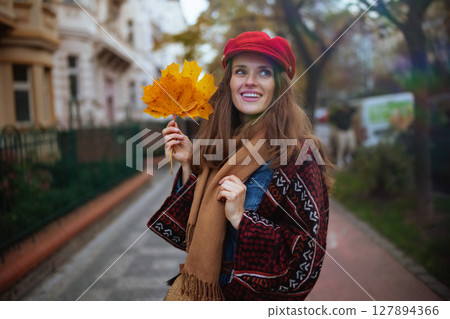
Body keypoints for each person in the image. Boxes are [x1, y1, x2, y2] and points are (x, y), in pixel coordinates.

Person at [147, 31, 334, 301]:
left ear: (278, 85)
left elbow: (307, 261)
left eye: (264, 73)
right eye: (241, 71)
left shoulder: (299, 156)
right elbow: (186, 233)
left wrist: (242, 220)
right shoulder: (220, 145)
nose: (250, 82)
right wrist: (189, 164)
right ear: (230, 82)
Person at [329, 103, 357, 168]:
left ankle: (348, 156)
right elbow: (332, 119)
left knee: (352, 145)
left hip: (348, 131)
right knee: (341, 146)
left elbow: (355, 109)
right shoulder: (338, 113)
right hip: (341, 131)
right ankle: (339, 159)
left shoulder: (350, 112)